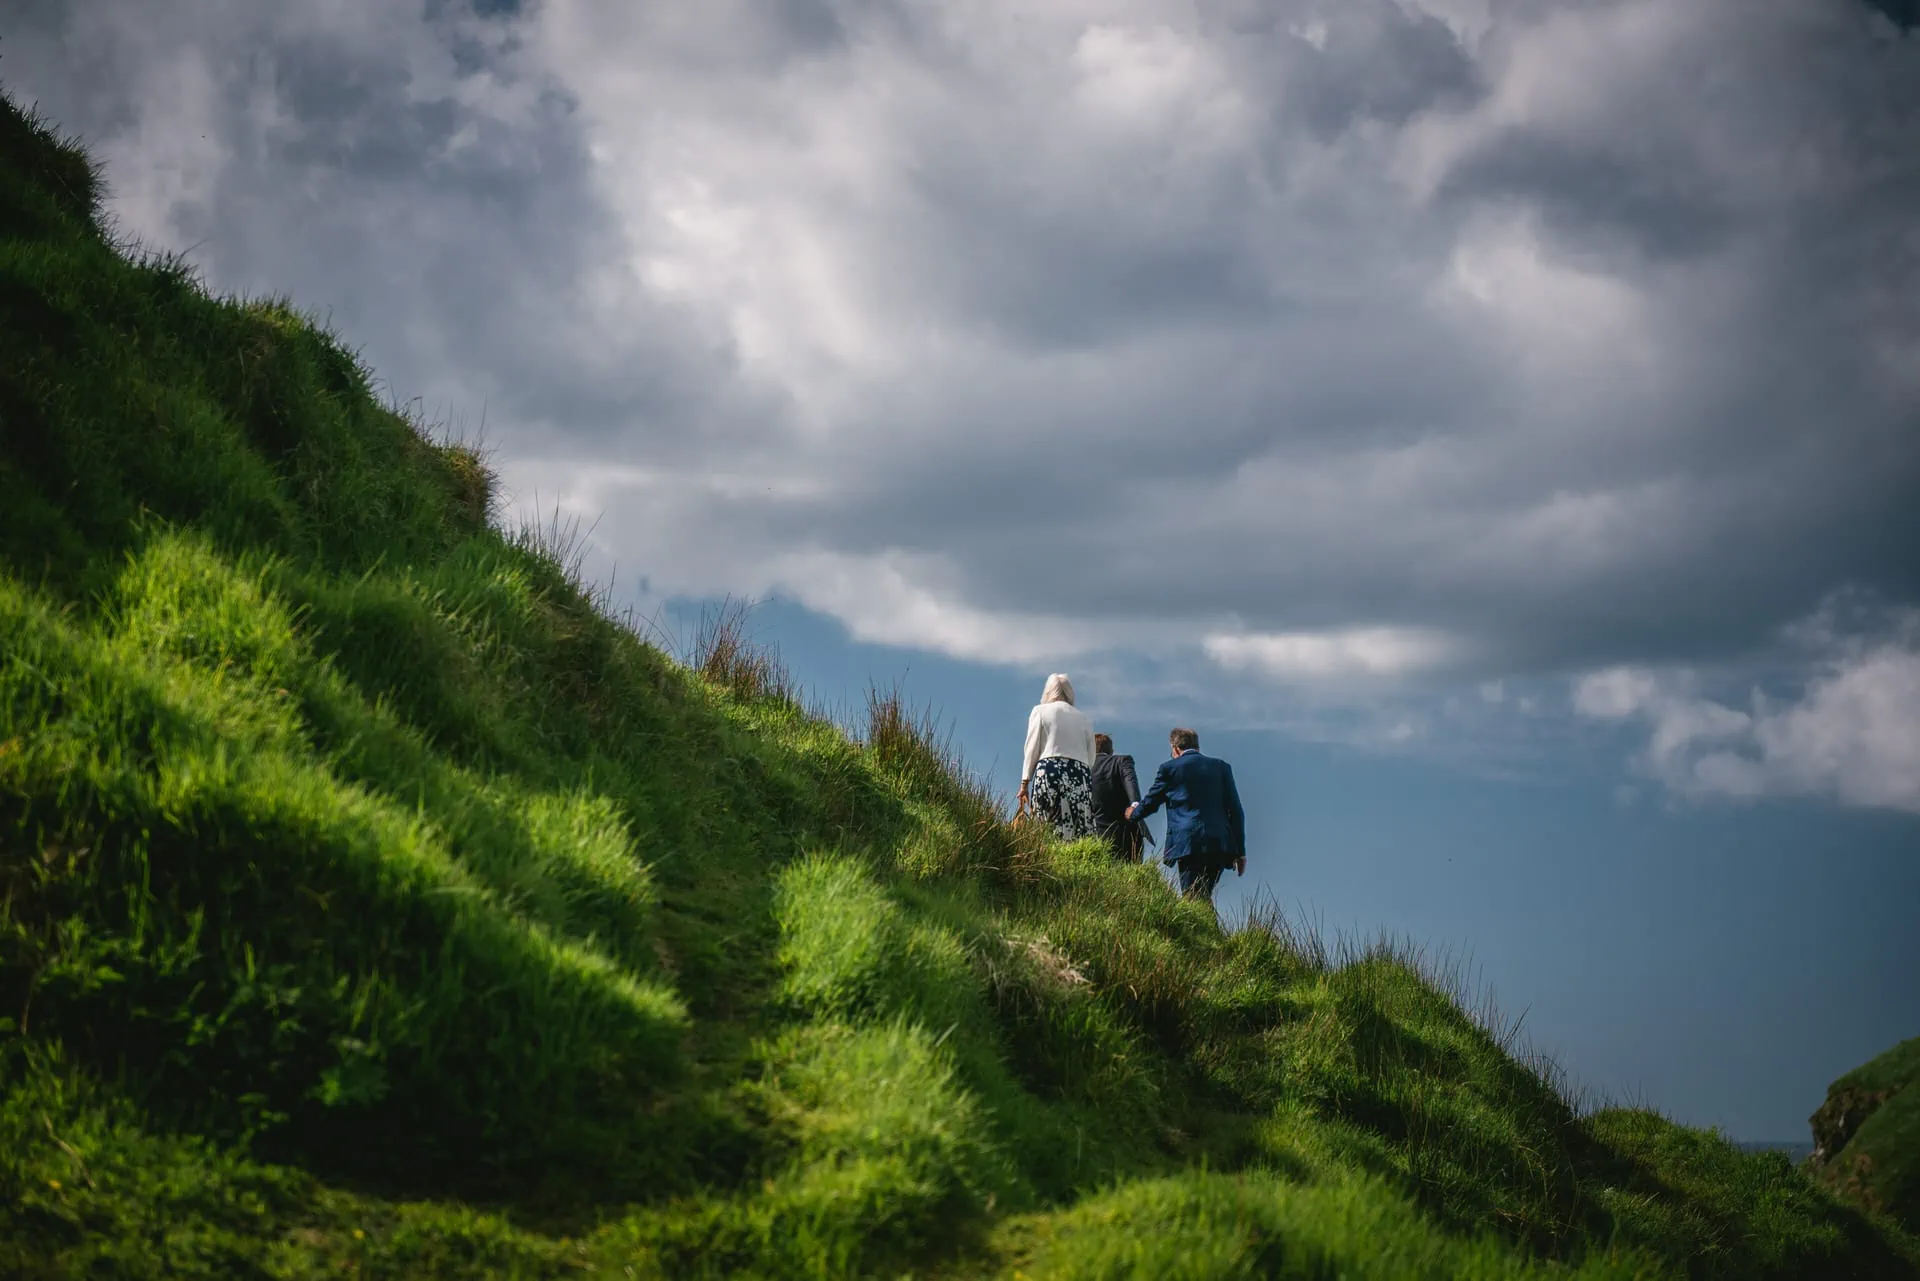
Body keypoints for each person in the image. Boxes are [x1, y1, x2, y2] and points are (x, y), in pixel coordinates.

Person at [1126, 727, 1246, 908]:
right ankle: (1212, 934)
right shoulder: (1221, 767)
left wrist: (1133, 813)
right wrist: (1240, 851)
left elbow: (1152, 801)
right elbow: (1236, 810)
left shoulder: (1169, 768)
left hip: (1189, 843)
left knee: (1193, 899)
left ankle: (1208, 935)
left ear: (1175, 748)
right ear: (1197, 747)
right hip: (1219, 843)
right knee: (1201, 896)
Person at [1018, 673, 1097, 840]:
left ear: (1048, 692)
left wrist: (1025, 782)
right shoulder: (1085, 719)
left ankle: (1047, 855)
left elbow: (1032, 747)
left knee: (1046, 821)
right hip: (1079, 772)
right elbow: (1091, 757)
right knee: (1078, 823)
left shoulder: (1040, 711)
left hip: (1050, 768)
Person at [1089, 733, 1153, 863]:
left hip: (1097, 833)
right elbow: (1130, 780)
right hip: (1126, 833)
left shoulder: (1084, 767)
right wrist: (1135, 803)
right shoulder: (1122, 760)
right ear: (1111, 750)